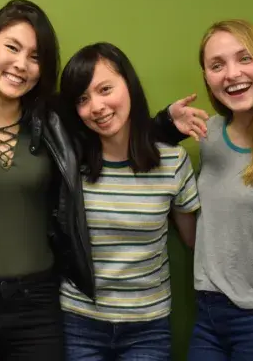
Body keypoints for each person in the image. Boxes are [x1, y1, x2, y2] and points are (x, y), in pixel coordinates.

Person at [0, 0, 207, 361]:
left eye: (35, 57)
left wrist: (164, 126)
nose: (21, 64)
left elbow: (110, 129)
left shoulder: (54, 123)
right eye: (12, 47)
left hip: (39, 302)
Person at [57, 42, 200, 360]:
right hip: (79, 322)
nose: (96, 106)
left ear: (129, 86)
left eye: (105, 89)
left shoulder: (173, 162)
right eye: (83, 99)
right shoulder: (68, 165)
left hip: (147, 327)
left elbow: (194, 240)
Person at [187, 19, 253, 361]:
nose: (232, 74)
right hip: (207, 313)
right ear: (207, 77)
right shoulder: (208, 134)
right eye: (217, 65)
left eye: (244, 58)